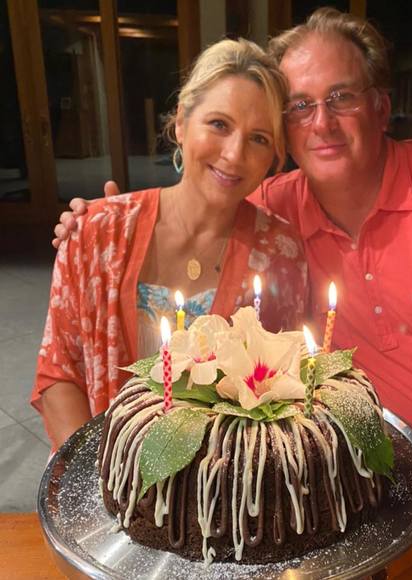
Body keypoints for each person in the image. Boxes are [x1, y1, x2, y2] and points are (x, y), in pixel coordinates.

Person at [51, 9, 412, 529]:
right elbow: (204, 197)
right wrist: (103, 221)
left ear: (381, 107)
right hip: (404, 453)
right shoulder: (273, 216)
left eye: (341, 97)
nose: (321, 123)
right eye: (300, 106)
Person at [33, 38, 308, 451]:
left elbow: (281, 397)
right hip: (103, 468)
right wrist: (99, 477)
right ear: (181, 122)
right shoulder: (98, 233)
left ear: (274, 156)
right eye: (219, 124)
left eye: (259, 138)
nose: (234, 154)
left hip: (222, 479)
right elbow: (59, 373)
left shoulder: (279, 254)